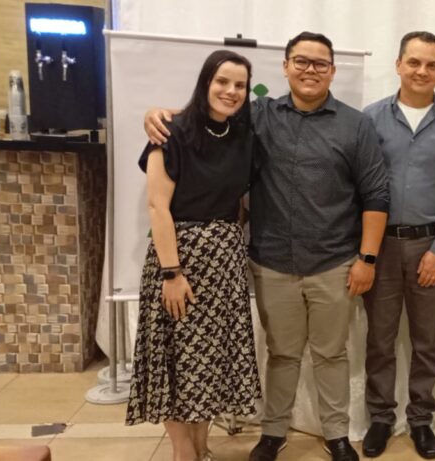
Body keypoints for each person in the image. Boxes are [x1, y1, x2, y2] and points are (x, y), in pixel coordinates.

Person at [144, 32, 389, 461]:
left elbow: (376, 195)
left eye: (320, 63)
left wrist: (367, 258)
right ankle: (273, 433)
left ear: (332, 71)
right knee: (282, 355)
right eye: (301, 61)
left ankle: (336, 435)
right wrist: (160, 114)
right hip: (273, 263)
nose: (310, 70)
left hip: (334, 262)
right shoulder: (258, 115)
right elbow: (211, 113)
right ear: (286, 66)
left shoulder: (356, 125)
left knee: (331, 354)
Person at [126, 49, 261, 461]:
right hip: (179, 259)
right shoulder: (171, 132)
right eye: (222, 81)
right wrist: (172, 273)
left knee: (207, 362)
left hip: (224, 261)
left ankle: (202, 447)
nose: (231, 91)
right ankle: (183, 451)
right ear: (206, 82)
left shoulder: (243, 135)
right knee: (176, 360)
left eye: (240, 85)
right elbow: (158, 207)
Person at [360, 31, 435, 459]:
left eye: (431, 64)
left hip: (431, 245)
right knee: (380, 338)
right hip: (381, 247)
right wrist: (365, 250)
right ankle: (380, 418)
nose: (422, 71)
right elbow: (358, 185)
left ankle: (421, 419)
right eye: (414, 62)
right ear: (398, 65)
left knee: (426, 340)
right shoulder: (371, 118)